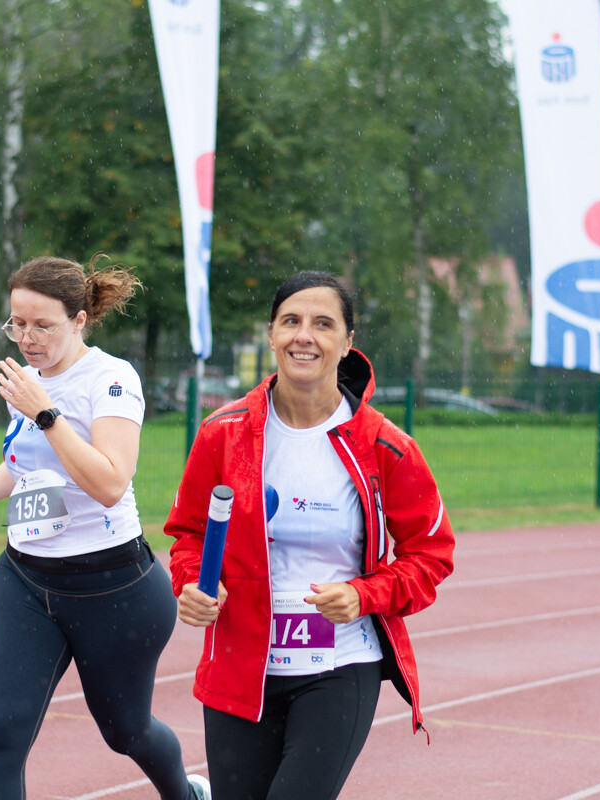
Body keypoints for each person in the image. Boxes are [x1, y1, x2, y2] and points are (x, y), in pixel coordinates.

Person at [166, 271, 455, 799]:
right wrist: (189, 582)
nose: (304, 336)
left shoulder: (386, 447)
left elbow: (431, 555)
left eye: (323, 324)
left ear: (347, 342)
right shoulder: (222, 433)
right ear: (271, 334)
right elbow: (188, 533)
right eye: (291, 321)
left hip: (340, 666)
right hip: (240, 666)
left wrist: (365, 595)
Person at [0, 254, 210, 800]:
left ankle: (186, 794)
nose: (27, 338)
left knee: (127, 732)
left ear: (79, 321)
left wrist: (45, 412)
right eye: (17, 323)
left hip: (114, 588)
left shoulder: (111, 379)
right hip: (25, 580)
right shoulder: (28, 382)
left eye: (43, 325)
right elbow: (24, 463)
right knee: (3, 739)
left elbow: (109, 482)